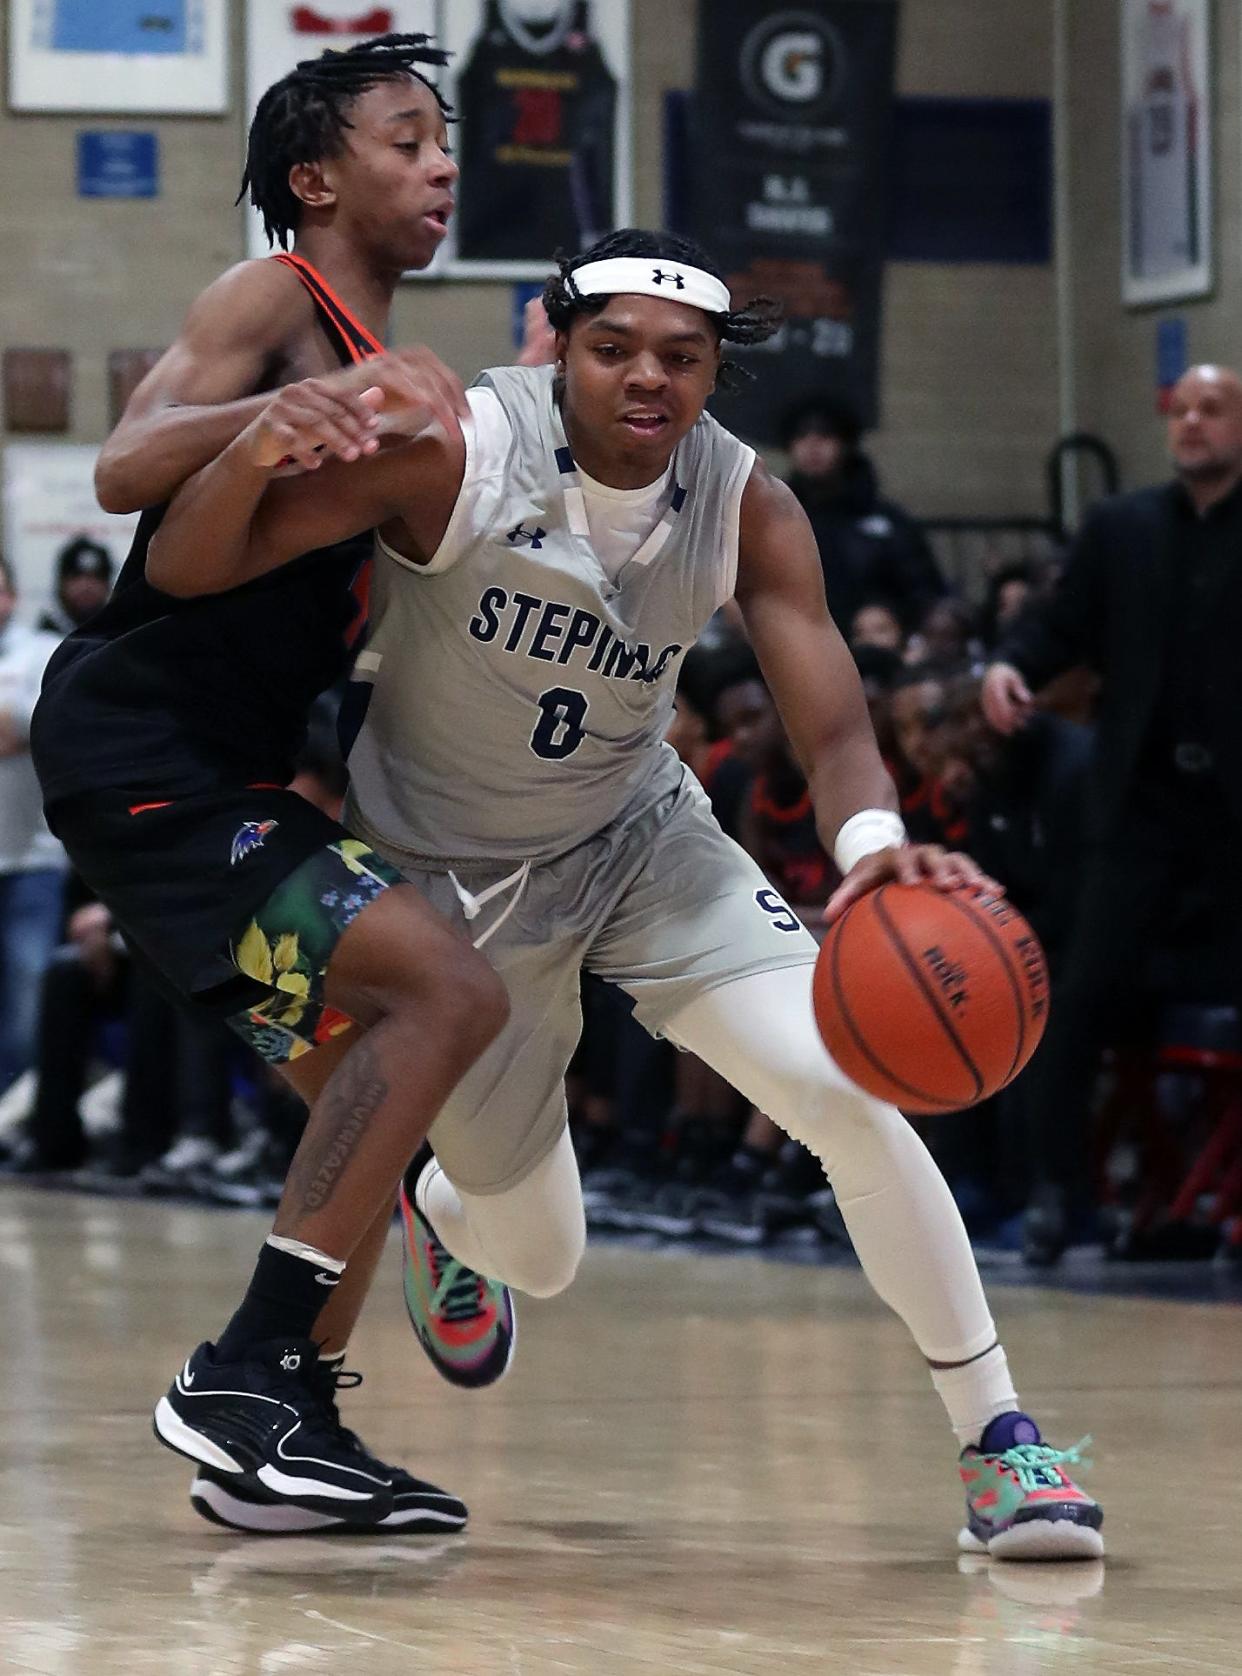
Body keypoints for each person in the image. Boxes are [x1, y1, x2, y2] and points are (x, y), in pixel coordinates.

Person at [148, 227, 1104, 1562]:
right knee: (539, 1257)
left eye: (680, 358)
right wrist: (253, 445)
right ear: (556, 346)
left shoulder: (745, 501)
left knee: (845, 1090)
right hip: (456, 899)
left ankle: (1002, 1444)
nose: (645, 380)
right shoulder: (457, 449)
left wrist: (874, 844)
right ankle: (441, 1215)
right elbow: (192, 565)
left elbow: (828, 725)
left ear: (713, 372)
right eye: (612, 351)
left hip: (645, 842)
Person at [32, 33, 511, 1538]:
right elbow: (120, 469)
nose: (440, 164)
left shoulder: (393, 373)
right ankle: (244, 1370)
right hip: (141, 743)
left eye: (446, 142)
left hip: (224, 759)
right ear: (316, 177)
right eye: (406, 137)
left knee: (362, 1099)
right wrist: (257, 418)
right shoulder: (273, 299)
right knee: (446, 997)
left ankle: (279, 1432)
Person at [983, 362, 1242, 1268]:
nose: (1193, 424)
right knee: (1076, 997)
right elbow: (1058, 628)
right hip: (1142, 805)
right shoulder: (1122, 529)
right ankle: (1063, 1196)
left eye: (1215, 409)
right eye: (1183, 409)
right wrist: (1009, 665)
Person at [782, 396, 947, 633]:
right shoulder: (778, 518)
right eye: (800, 436)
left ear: (846, 446)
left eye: (825, 435)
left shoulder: (889, 522)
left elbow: (924, 591)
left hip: (879, 645)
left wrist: (892, 616)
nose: (812, 445)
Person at [0, 558, 68, 1093]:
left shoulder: (39, 653)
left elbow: (32, 732)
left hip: (32, 861)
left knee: (29, 991)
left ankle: (22, 1118)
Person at [38, 537, 114, 636]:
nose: (86, 586)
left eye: (96, 577)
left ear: (108, 585)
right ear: (61, 583)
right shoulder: (40, 638)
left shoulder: (121, 634)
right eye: (76, 577)